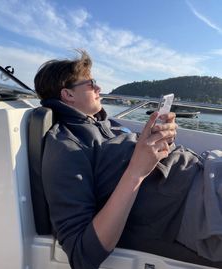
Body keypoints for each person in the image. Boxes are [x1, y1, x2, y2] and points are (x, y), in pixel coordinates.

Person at [34, 50, 222, 269]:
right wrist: (137, 170)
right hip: (199, 204)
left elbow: (145, 160)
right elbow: (82, 254)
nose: (98, 88)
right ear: (68, 95)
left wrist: (162, 141)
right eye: (90, 83)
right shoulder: (66, 145)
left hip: (206, 169)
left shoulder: (108, 124)